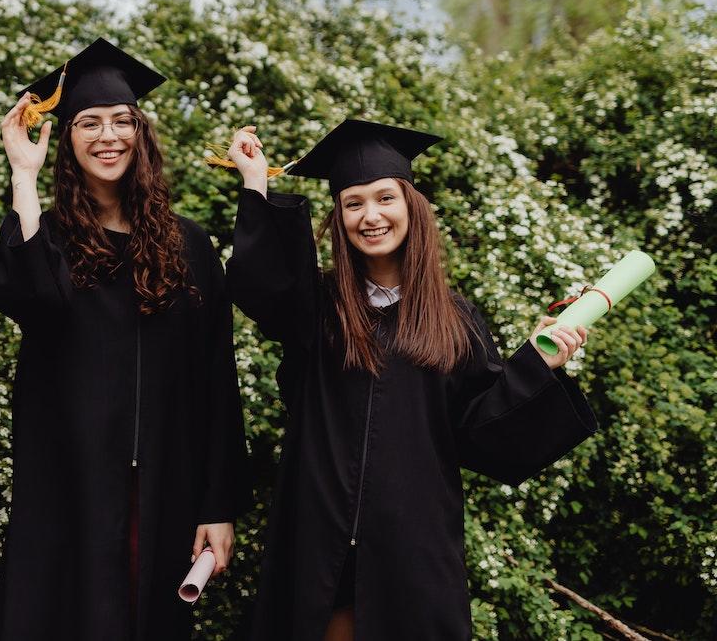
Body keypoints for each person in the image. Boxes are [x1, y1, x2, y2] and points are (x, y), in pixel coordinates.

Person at [224, 119, 597, 641]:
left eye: (384, 198)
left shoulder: (455, 320)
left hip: (413, 553)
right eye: (353, 203)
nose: (370, 216)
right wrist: (255, 182)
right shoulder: (319, 309)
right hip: (317, 542)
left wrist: (535, 364)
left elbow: (482, 436)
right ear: (339, 217)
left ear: (411, 207)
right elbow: (265, 286)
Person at [0, 38, 251, 640]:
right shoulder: (47, 239)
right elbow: (32, 296)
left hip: (165, 488)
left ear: (141, 132)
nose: (109, 136)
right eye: (88, 122)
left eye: (122, 121)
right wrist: (23, 174)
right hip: (68, 486)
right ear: (67, 139)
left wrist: (217, 504)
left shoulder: (189, 246)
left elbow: (216, 381)